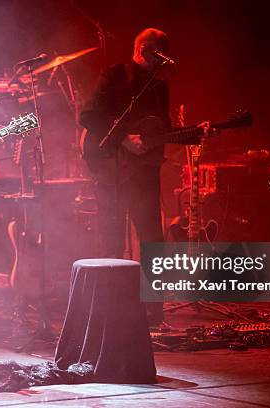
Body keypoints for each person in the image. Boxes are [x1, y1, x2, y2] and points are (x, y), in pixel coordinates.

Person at [79, 28, 211, 324]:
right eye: (156, 54)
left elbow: (161, 132)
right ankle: (107, 313)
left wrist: (193, 133)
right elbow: (87, 116)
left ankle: (153, 314)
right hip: (109, 168)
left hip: (143, 174)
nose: (160, 63)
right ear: (141, 51)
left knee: (152, 238)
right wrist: (124, 137)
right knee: (110, 238)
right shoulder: (114, 76)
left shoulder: (159, 89)